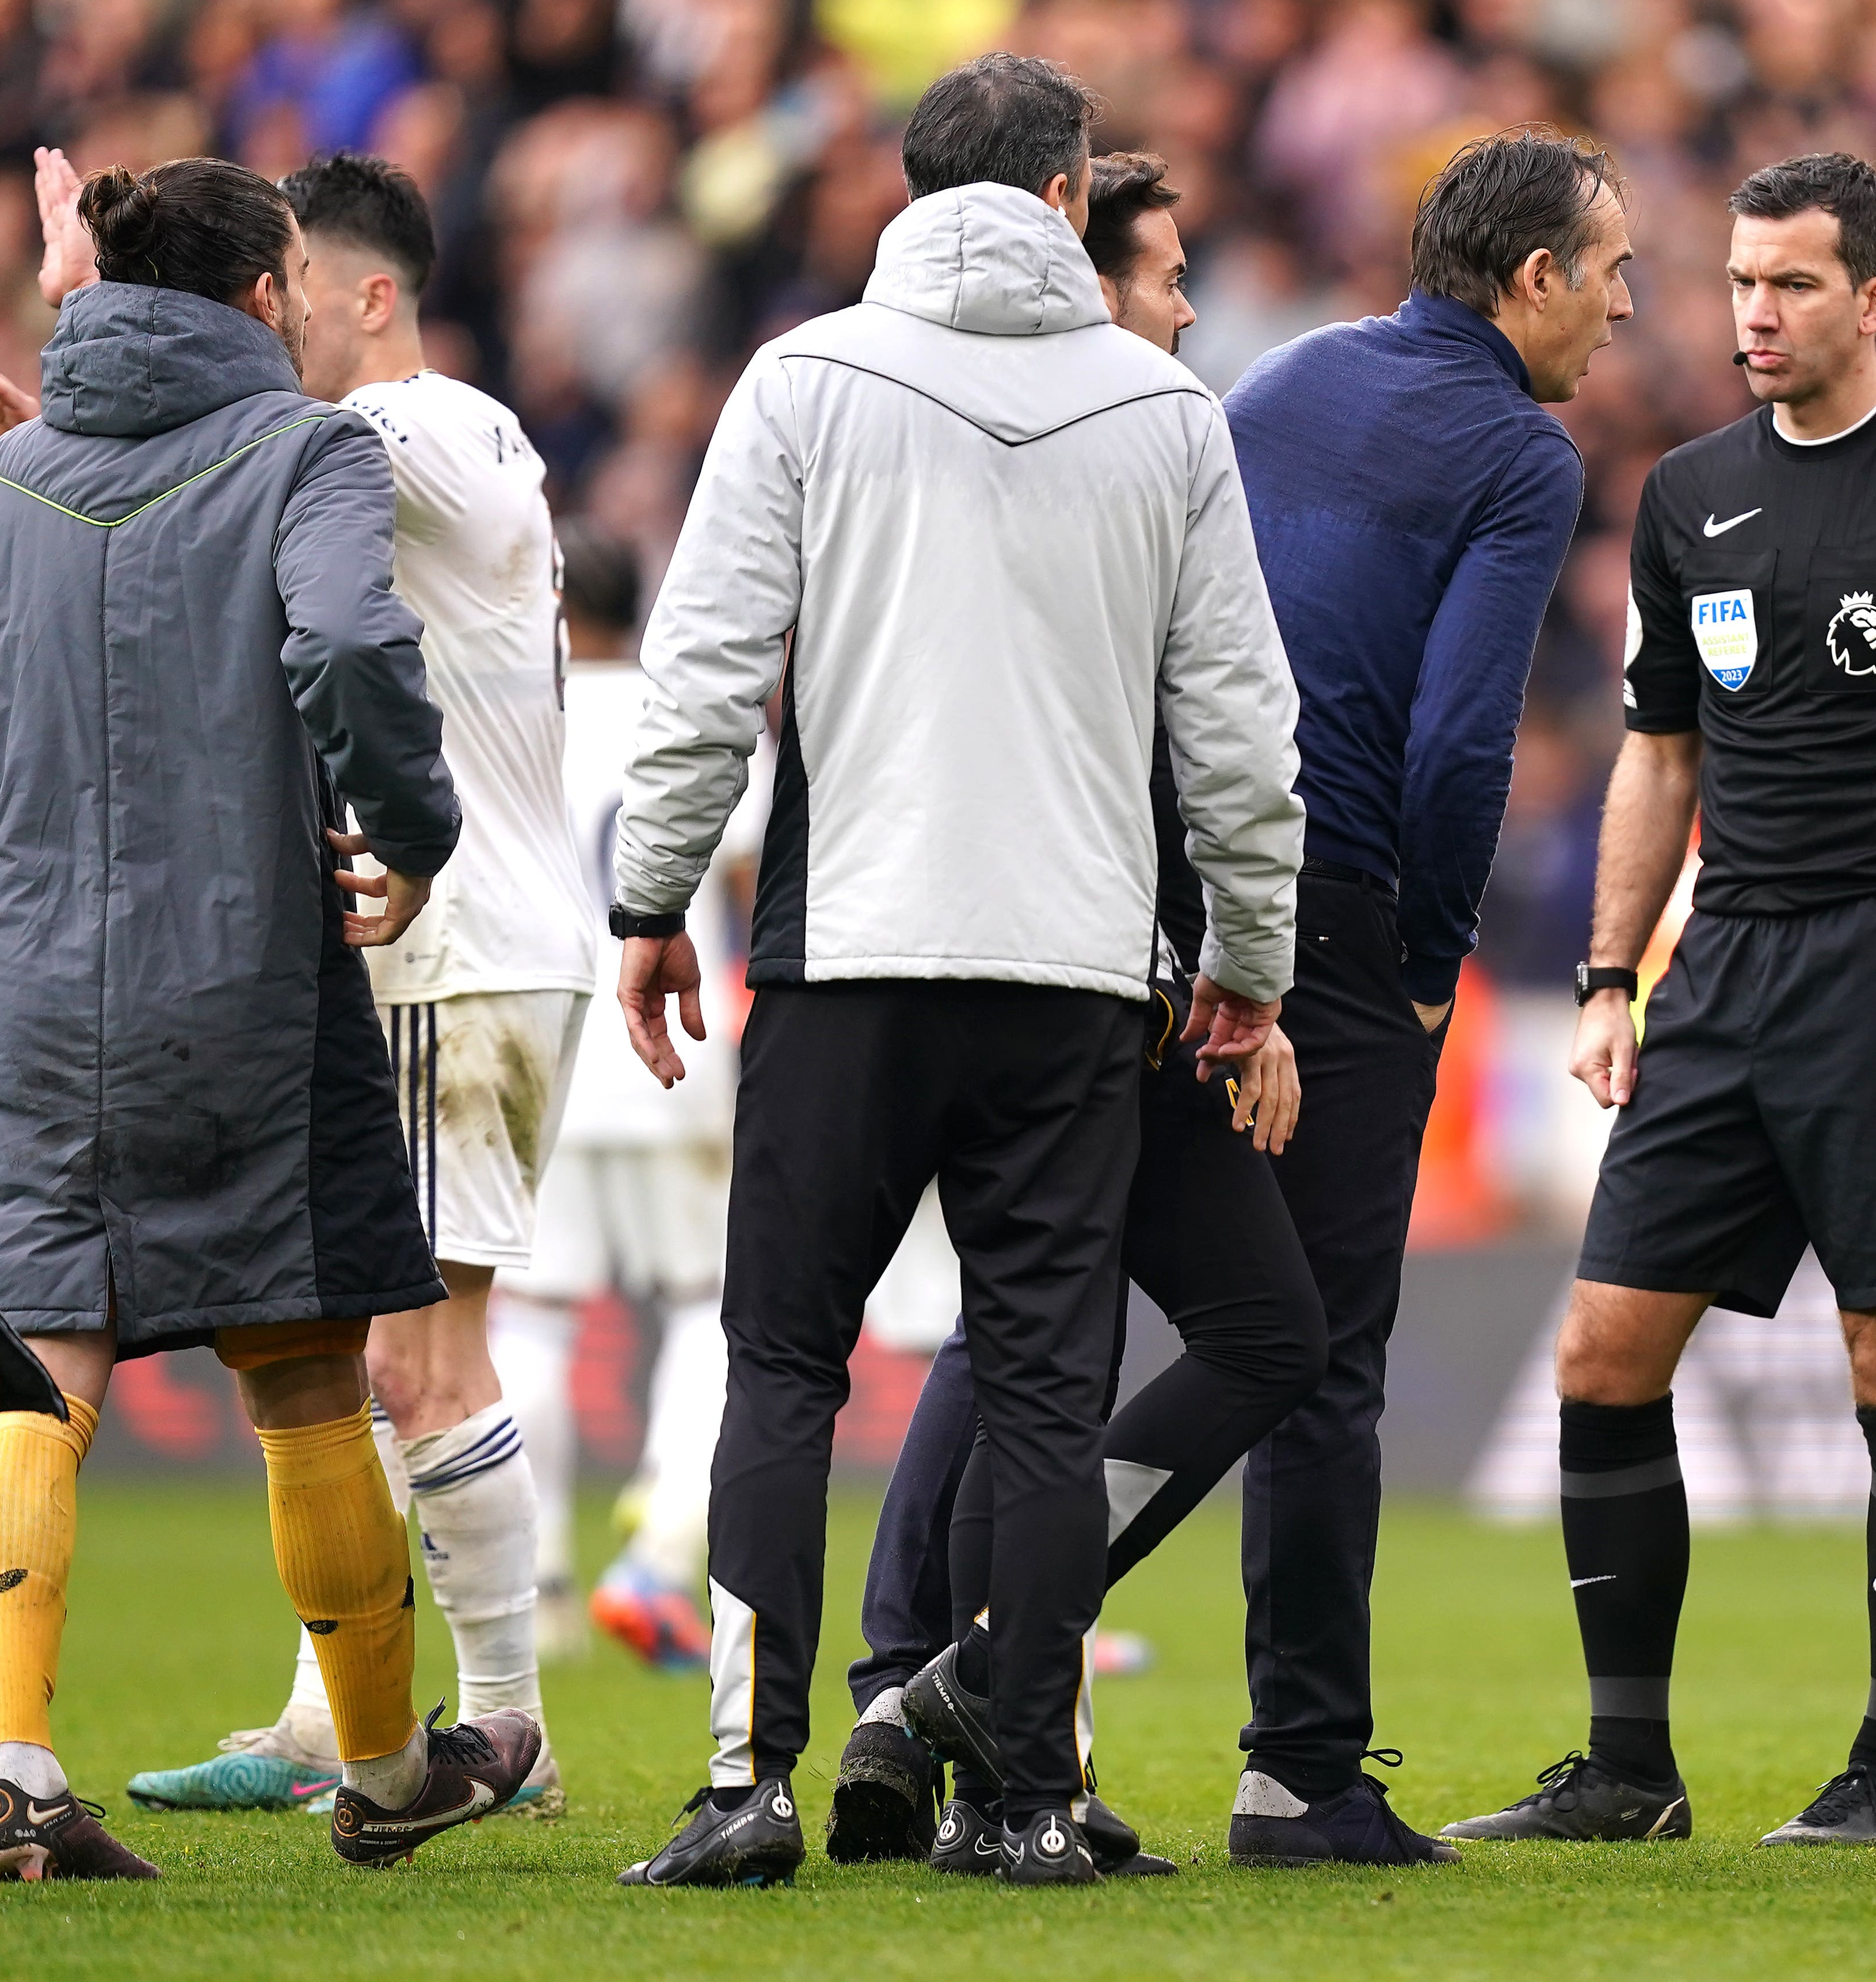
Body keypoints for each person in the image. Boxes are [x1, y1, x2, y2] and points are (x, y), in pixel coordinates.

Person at [610, 55, 1303, 1890]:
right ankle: (1018, 1797)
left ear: (910, 188)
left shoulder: (804, 380)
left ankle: (748, 1783)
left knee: (782, 1367)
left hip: (847, 956)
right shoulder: (1164, 410)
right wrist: (1249, 957)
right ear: (1073, 196)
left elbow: (704, 675)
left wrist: (649, 895)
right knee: (1047, 1392)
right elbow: (1239, 726)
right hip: (1071, 976)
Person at [0, 155, 540, 1880]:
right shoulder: (308, 451)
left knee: (39, 1379)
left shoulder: (0, 487)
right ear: (268, 294)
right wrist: (411, 834)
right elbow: (353, 640)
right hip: (252, 983)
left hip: (36, 996)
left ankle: (20, 1767)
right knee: (302, 1371)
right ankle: (384, 1766)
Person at [1439, 154, 1876, 1852]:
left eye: (1797, 284)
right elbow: (1660, 748)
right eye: (1742, 281)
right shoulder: (1688, 494)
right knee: (1606, 1351)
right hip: (1724, 965)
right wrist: (1613, 972)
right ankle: (1627, 1766)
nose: (1755, 312)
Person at [830, 151, 1320, 1882]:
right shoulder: (1143, 445)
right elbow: (1219, 744)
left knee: (1019, 1333)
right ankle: (980, 1687)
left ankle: (919, 1686)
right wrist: (1244, 978)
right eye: (1168, 272)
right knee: (1245, 1329)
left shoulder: (925, 445)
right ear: (1085, 280)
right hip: (1109, 975)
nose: (1187, 308)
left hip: (981, 953)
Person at [120, 150, 585, 1823]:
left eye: (287, 286)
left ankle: (508, 1728)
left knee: (410, 1362)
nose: (266, 314)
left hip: (457, 947)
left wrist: (77, 386)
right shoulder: (448, 435)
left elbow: (219, 484)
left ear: (369, 296)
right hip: (480, 942)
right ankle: (336, 1710)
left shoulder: (394, 430)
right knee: (384, 1351)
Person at [1214, 125, 1630, 1866]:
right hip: (1339, 910)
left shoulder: (1285, 377)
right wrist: (1427, 958)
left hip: (1172, 887)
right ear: (1531, 276)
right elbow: (1465, 739)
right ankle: (1300, 1768)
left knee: (1052, 1313)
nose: (1622, 312)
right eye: (1610, 274)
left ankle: (928, 1679)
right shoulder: (1518, 454)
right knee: (1317, 1356)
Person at [489, 524, 748, 1678]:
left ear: (551, 602)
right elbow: (747, 879)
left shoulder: (510, 717)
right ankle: (659, 1550)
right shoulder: (675, 708)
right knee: (709, 1306)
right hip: (679, 1048)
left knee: (531, 1317)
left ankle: (534, 1575)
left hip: (547, 1048)